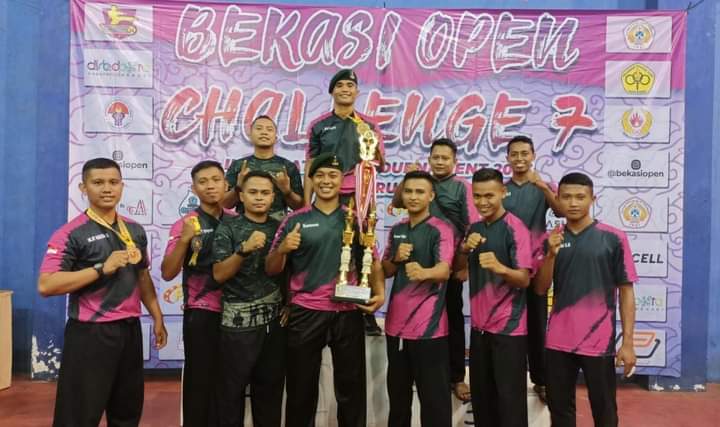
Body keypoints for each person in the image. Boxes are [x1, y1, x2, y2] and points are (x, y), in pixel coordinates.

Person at [38, 157, 167, 427]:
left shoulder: (134, 230)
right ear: (83, 188)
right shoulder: (71, 233)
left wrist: (157, 315)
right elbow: (47, 285)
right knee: (79, 415)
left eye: (113, 182)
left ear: (122, 186)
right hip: (90, 334)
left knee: (127, 411)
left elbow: (142, 276)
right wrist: (100, 269)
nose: (107, 189)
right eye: (98, 183)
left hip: (129, 330)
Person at [266, 153, 385, 427]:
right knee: (300, 388)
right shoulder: (295, 220)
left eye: (332, 175)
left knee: (351, 388)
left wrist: (380, 293)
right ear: (311, 180)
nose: (326, 181)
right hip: (306, 312)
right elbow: (271, 268)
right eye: (319, 175)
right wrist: (283, 249)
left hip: (347, 311)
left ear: (342, 181)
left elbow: (373, 262)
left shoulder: (356, 219)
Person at [534, 172, 637, 427]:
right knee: (560, 411)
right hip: (558, 341)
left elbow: (626, 291)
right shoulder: (551, 239)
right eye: (566, 197)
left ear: (593, 199)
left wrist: (628, 343)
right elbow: (540, 288)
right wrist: (550, 255)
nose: (573, 203)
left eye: (580, 197)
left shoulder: (613, 238)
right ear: (558, 200)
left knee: (604, 410)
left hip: (598, 342)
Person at [390, 138, 479, 401]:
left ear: (455, 161)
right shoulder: (419, 183)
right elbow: (398, 203)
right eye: (435, 157)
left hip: (448, 262)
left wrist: (464, 263)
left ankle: (456, 377)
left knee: (452, 318)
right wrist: (406, 178)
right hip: (415, 258)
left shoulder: (461, 187)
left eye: (445, 158)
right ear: (429, 159)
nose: (439, 162)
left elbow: (473, 226)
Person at [305, 68, 386, 335]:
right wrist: (306, 204)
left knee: (365, 248)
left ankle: (366, 309)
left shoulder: (369, 125)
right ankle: (324, 304)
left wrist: (372, 148)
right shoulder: (318, 125)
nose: (345, 90)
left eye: (350, 86)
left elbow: (381, 163)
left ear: (357, 91)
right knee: (329, 247)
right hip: (329, 195)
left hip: (360, 195)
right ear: (332, 91)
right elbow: (310, 166)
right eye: (340, 85)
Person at [455, 168, 533, 427]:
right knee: (483, 402)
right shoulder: (474, 228)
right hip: (480, 329)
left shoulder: (516, 228)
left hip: (508, 330)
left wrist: (500, 268)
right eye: (477, 196)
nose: (482, 202)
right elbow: (459, 272)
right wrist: (464, 250)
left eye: (489, 195)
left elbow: (524, 279)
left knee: (510, 404)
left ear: (503, 192)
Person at [213, 170, 286, 427]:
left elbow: (291, 272)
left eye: (265, 193)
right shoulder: (228, 226)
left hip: (274, 324)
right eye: (253, 192)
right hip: (237, 327)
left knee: (270, 392)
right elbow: (219, 274)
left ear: (273, 196)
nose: (259, 197)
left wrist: (289, 305)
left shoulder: (280, 227)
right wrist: (243, 250)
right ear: (241, 196)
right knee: (231, 393)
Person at [381, 170, 455, 426]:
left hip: (429, 330)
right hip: (396, 328)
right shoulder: (397, 229)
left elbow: (444, 270)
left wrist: (424, 272)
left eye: (420, 192)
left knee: (434, 403)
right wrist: (396, 258)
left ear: (431, 196)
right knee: (398, 401)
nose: (413, 197)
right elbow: (386, 270)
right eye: (409, 191)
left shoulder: (441, 229)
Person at [161, 160, 230, 426]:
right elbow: (168, 272)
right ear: (193, 188)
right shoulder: (185, 224)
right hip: (201, 312)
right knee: (199, 382)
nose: (210, 186)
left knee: (229, 383)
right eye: (203, 181)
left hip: (236, 312)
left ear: (226, 184)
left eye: (216, 180)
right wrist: (185, 240)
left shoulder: (237, 221)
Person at [502, 135, 563, 402]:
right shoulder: (501, 189)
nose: (519, 159)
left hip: (537, 264)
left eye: (524, 153)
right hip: (508, 266)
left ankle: (542, 380)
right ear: (507, 158)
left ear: (533, 155)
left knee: (537, 325)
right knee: (508, 326)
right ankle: (510, 381)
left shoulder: (543, 186)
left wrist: (544, 188)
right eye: (514, 154)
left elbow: (561, 211)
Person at [224, 115, 304, 221]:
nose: (264, 132)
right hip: (243, 225)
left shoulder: (288, 167)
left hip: (277, 225)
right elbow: (225, 204)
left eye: (269, 129)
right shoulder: (239, 166)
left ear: (276, 138)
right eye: (259, 128)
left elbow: (299, 207)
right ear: (250, 136)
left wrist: (287, 191)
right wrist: (238, 187)